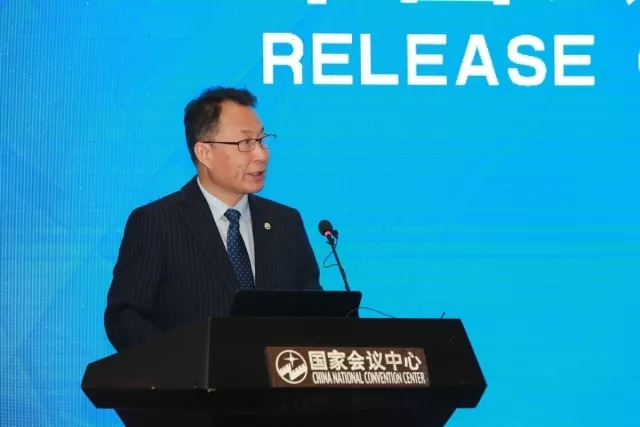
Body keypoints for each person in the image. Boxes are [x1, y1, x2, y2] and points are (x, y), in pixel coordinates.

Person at [104, 86, 322, 352]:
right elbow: (125, 316)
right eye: (246, 143)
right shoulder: (157, 222)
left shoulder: (285, 222)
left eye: (262, 140)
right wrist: (177, 364)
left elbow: (314, 310)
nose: (262, 154)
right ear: (204, 153)